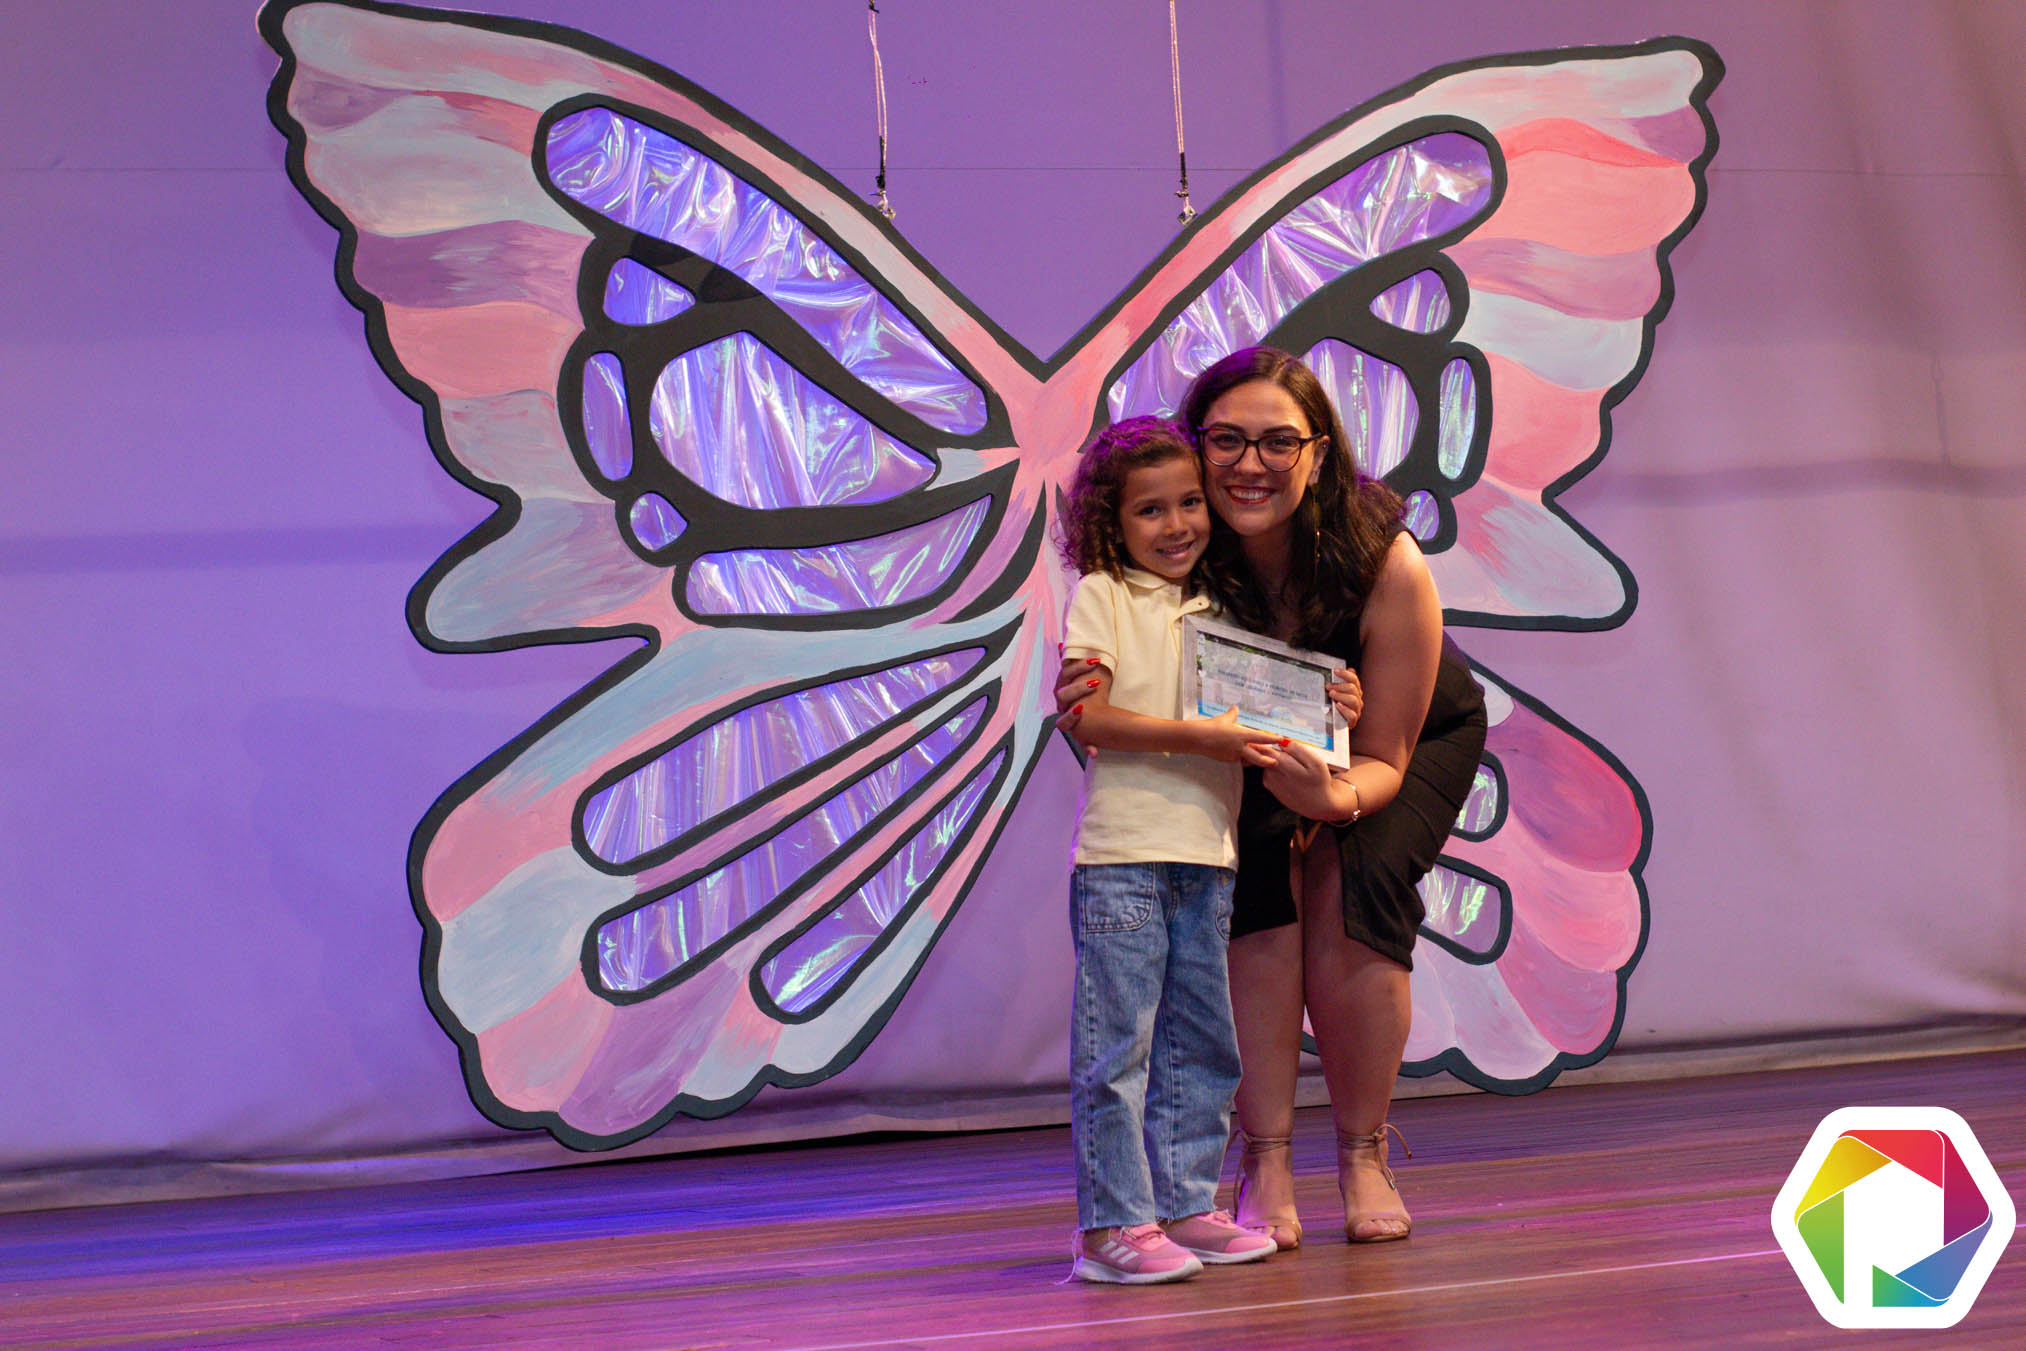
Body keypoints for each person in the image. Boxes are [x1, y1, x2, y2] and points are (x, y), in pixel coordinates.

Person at [1060, 348, 1486, 1250]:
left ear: (1318, 452)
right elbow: (1116, 685)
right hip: (1246, 749)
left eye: (1278, 442)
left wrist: (1333, 801)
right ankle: (1265, 1157)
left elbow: (1386, 753)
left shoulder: (1381, 556)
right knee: (1250, 890)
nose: (1249, 463)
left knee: (1355, 881)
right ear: (1195, 445)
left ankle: (1364, 1150)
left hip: (1397, 745)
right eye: (1226, 440)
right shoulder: (1179, 540)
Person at [1052, 416, 1283, 1284]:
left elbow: (1275, 714)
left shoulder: (1223, 608)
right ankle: (1112, 1225)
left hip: (1208, 855)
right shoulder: (1103, 593)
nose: (1177, 523)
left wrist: (1331, 700)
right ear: (1112, 524)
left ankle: (1186, 1206)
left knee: (1200, 1042)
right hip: (1123, 855)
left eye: (1190, 502)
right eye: (1151, 509)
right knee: (1118, 1048)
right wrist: (1200, 738)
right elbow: (1088, 715)